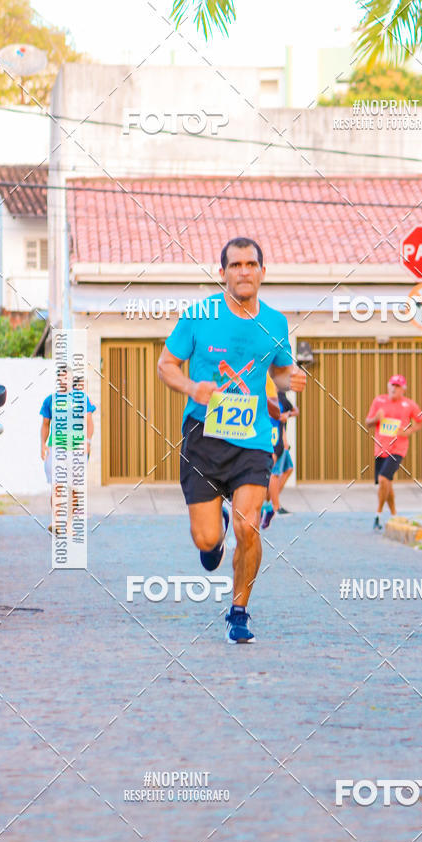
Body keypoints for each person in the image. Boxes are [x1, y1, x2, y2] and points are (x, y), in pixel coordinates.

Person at [157, 237, 306, 643]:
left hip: (253, 438)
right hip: (203, 436)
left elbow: (277, 373)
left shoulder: (275, 322)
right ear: (222, 272)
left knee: (249, 527)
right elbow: (165, 365)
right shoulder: (199, 316)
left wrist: (287, 381)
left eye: (251, 263)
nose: (244, 271)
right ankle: (213, 534)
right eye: (235, 264)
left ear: (263, 271)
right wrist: (192, 388)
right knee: (207, 540)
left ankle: (239, 611)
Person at [365, 374, 422, 531]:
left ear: (403, 389)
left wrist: (408, 431)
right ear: (388, 386)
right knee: (387, 484)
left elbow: (421, 422)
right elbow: (368, 422)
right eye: (392, 385)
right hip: (380, 448)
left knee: (384, 479)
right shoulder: (379, 401)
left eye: (397, 386)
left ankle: (377, 515)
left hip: (398, 448)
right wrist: (376, 418)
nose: (394, 388)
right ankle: (393, 515)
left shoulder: (409, 404)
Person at [40, 365, 95, 533]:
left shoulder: (81, 399)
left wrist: (87, 441)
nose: (64, 380)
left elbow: (89, 421)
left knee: (73, 489)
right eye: (61, 377)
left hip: (77, 448)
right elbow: (45, 424)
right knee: (57, 486)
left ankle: (69, 522)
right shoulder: (50, 400)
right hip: (56, 448)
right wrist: (42, 444)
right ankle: (57, 521)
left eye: (67, 377)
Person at [261, 390, 298, 527]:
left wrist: (287, 415)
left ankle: (267, 502)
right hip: (273, 440)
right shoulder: (265, 393)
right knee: (274, 474)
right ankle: (275, 507)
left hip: (281, 441)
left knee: (288, 469)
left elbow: (294, 410)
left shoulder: (281, 395)